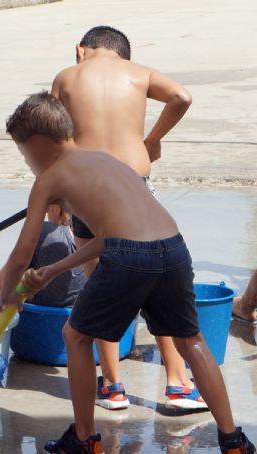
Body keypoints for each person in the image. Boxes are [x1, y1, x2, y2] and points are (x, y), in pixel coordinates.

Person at [0, 91, 254, 454]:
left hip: (130, 255)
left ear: (38, 143)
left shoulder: (49, 178)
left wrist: (10, 296)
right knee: (192, 340)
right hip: (173, 247)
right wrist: (56, 268)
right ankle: (233, 441)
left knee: (75, 336)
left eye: (24, 154)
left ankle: (85, 439)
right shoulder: (107, 160)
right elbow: (110, 234)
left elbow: (21, 252)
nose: (27, 163)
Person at [51, 25, 204, 411]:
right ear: (123, 56)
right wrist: (150, 141)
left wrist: (57, 196)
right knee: (156, 286)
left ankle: (114, 386)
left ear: (80, 50)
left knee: (99, 285)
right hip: (134, 188)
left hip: (86, 192)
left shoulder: (67, 77)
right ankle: (178, 383)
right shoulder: (139, 74)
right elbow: (182, 96)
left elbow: (53, 138)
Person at [0, 203, 85, 307]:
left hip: (31, 317)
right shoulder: (94, 244)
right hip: (70, 317)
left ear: (56, 207)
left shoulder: (43, 232)